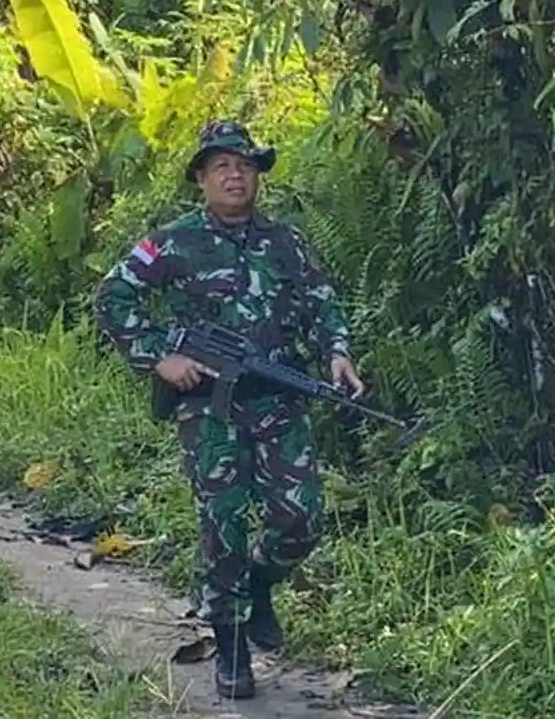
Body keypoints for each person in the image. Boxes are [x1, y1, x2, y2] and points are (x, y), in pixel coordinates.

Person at [92, 121, 365, 700]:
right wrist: (158, 356)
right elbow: (113, 297)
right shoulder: (172, 241)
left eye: (244, 164)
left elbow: (322, 304)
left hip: (278, 401)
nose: (235, 174)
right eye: (222, 166)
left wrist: (337, 354)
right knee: (223, 523)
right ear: (201, 178)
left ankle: (258, 587)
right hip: (208, 409)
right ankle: (232, 644)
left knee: (301, 518)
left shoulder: (286, 241)